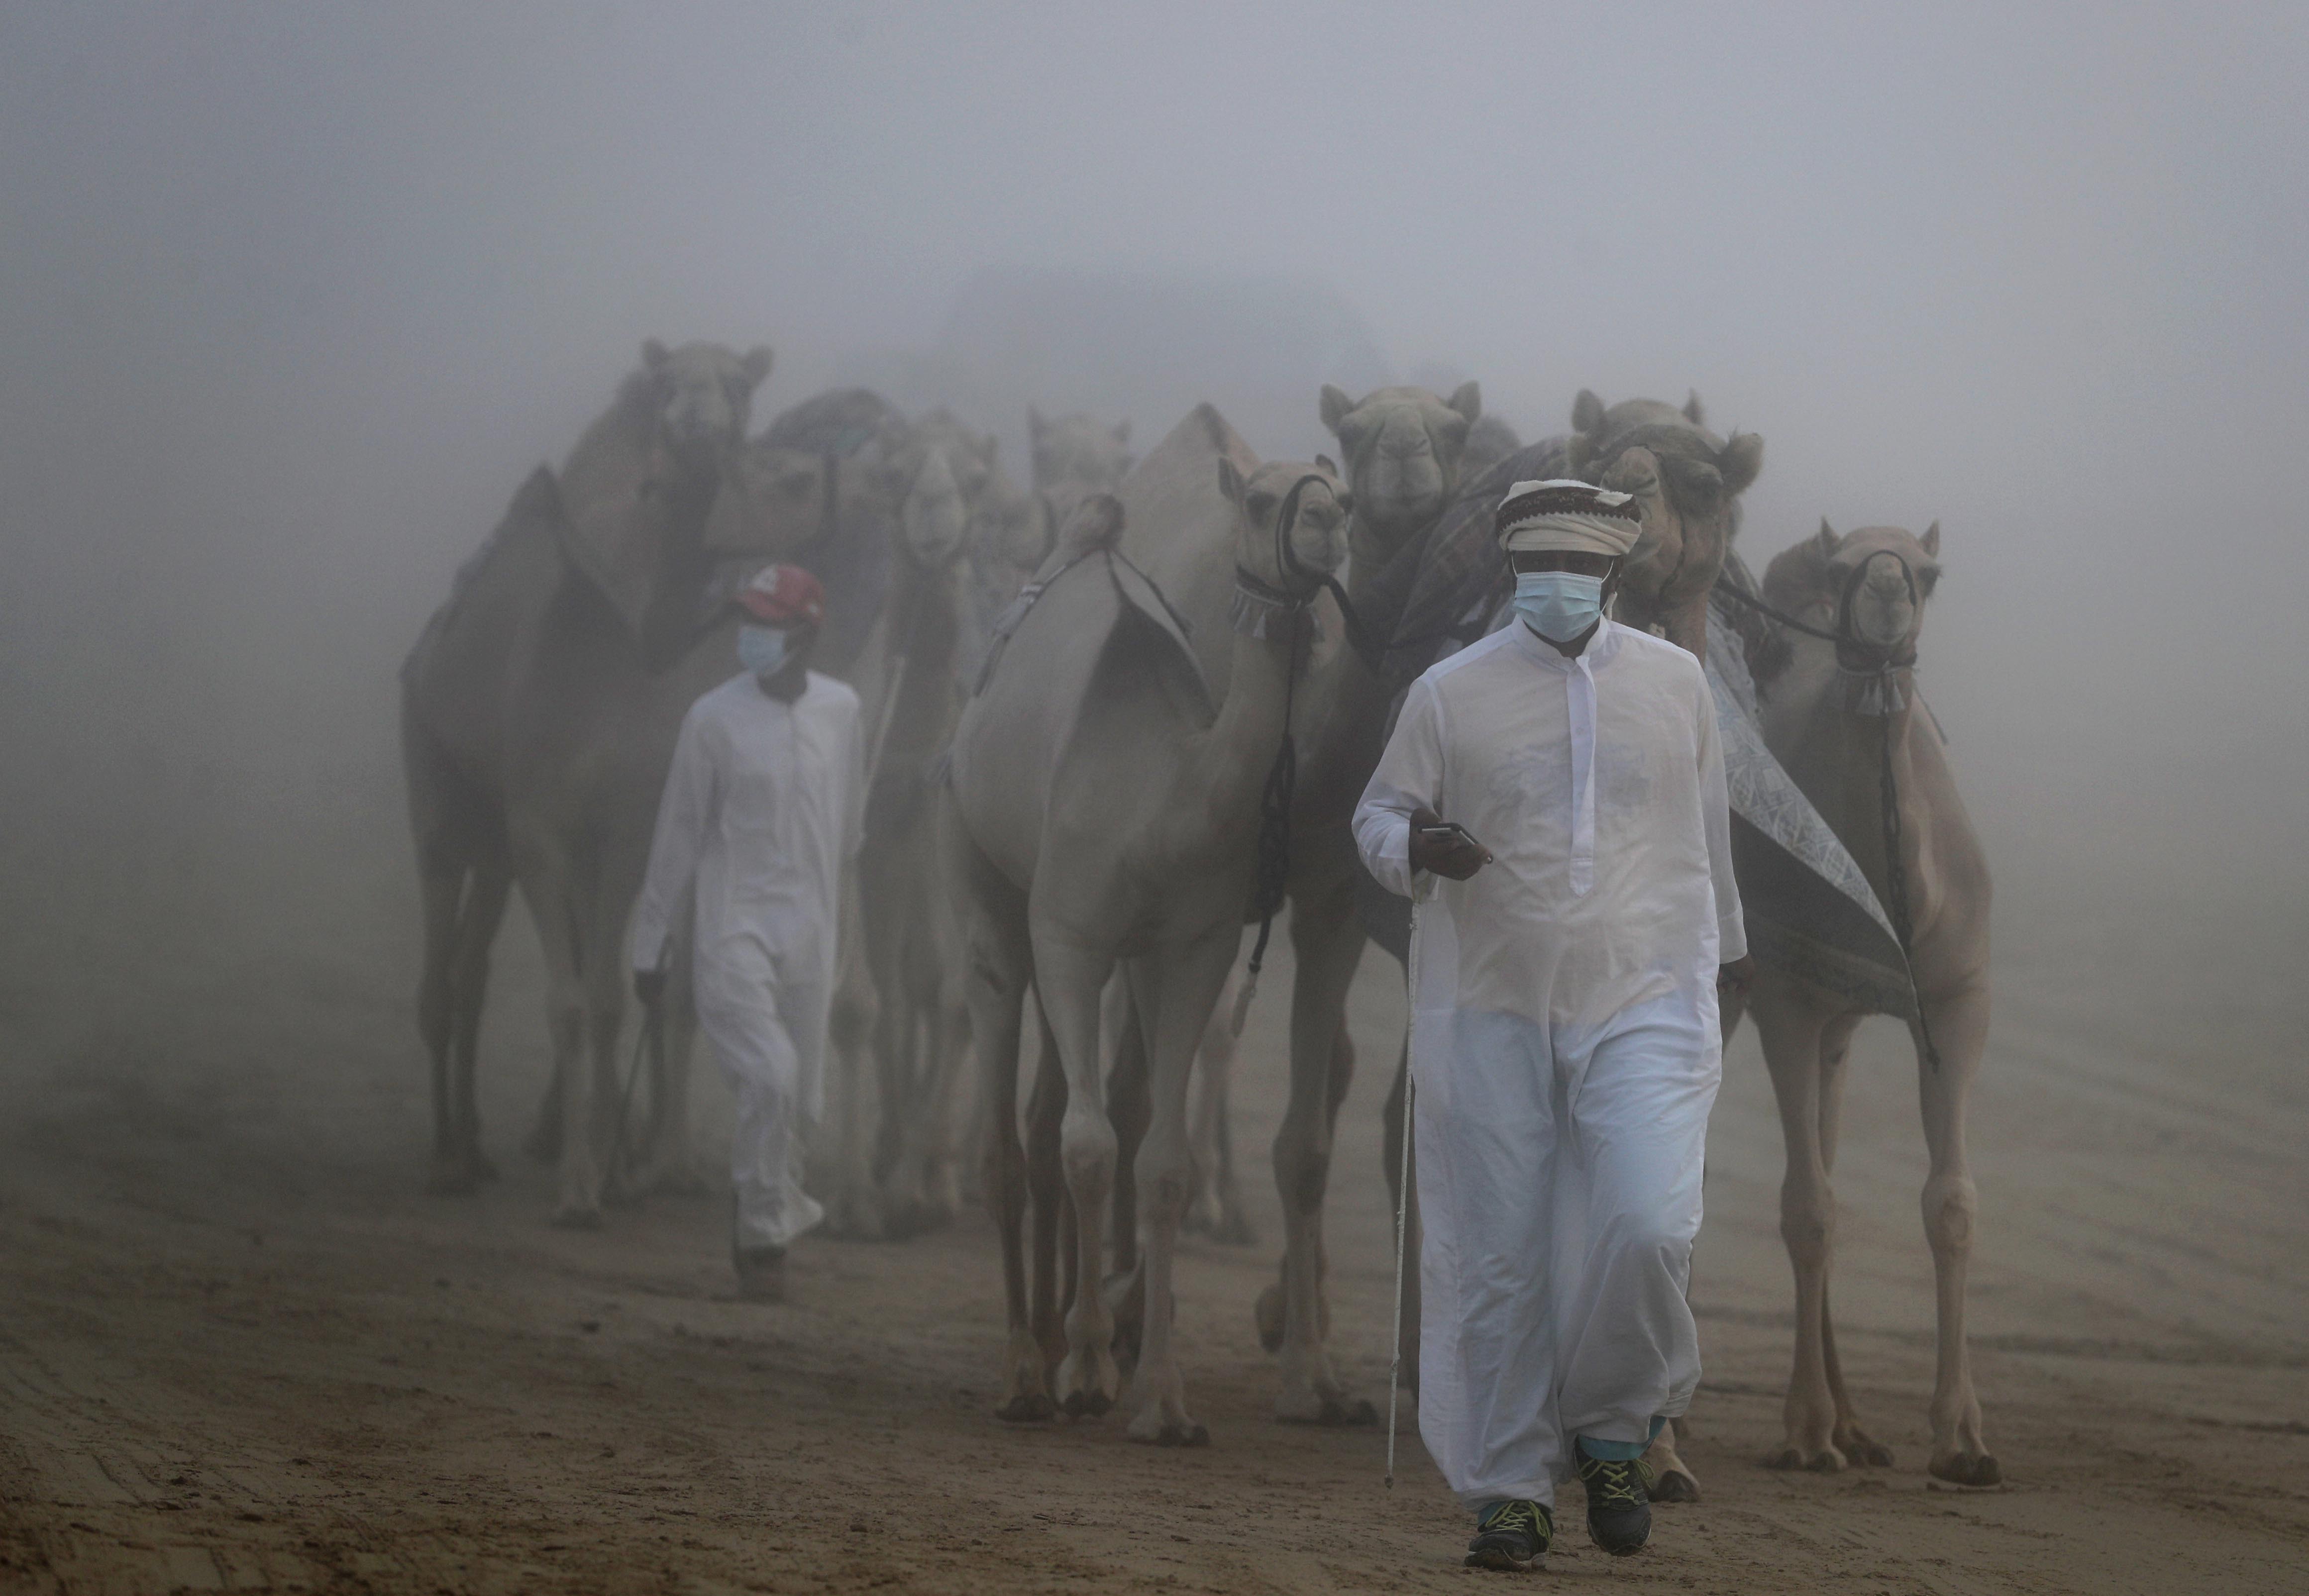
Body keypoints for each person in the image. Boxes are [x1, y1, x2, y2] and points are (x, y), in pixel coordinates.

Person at [1354, 480, 1752, 1569]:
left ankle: (1615, 1428)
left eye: (1577, 566)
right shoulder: (1449, 691)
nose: (1556, 584)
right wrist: (1413, 849)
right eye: (1536, 567)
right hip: (1488, 1002)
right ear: (1510, 574)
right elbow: (1378, 811)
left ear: (1614, 577)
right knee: (1500, 1248)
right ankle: (1512, 1488)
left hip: (1649, 994)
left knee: (1645, 1222)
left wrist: (1726, 953)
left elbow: (1707, 832)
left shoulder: (1678, 686)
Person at [630, 563, 862, 1303]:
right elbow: (679, 834)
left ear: (806, 632)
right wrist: (651, 940)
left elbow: (848, 827)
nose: (752, 638)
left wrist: (843, 930)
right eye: (747, 623)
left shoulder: (842, 711)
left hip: (813, 926)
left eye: (768, 625)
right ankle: (764, 1241)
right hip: (734, 923)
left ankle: (757, 1195)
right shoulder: (712, 718)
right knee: (768, 1073)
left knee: (798, 1100)